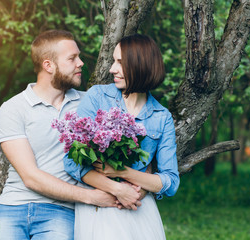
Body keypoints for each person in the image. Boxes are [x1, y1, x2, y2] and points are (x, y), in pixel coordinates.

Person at [0, 30, 119, 240]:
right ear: (48, 65)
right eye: (72, 58)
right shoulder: (13, 108)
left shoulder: (89, 104)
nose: (80, 63)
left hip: (60, 212)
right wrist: (92, 197)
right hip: (12, 208)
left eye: (78, 57)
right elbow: (30, 177)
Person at [64, 34, 180, 240]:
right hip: (100, 209)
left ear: (139, 65)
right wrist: (117, 189)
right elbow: (72, 163)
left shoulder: (161, 118)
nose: (112, 69)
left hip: (139, 208)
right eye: (113, 61)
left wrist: (124, 174)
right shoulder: (97, 97)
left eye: (120, 62)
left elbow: (170, 182)